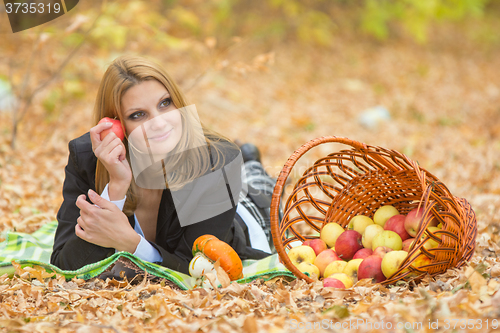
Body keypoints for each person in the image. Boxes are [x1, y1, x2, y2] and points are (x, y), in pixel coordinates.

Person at [50, 55, 277, 276]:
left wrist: (130, 242)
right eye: (138, 115)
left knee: (262, 189)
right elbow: (65, 265)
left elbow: (193, 268)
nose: (159, 123)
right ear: (116, 124)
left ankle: (251, 162)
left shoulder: (219, 161)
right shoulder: (88, 156)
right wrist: (115, 190)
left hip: (244, 218)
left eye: (165, 103)